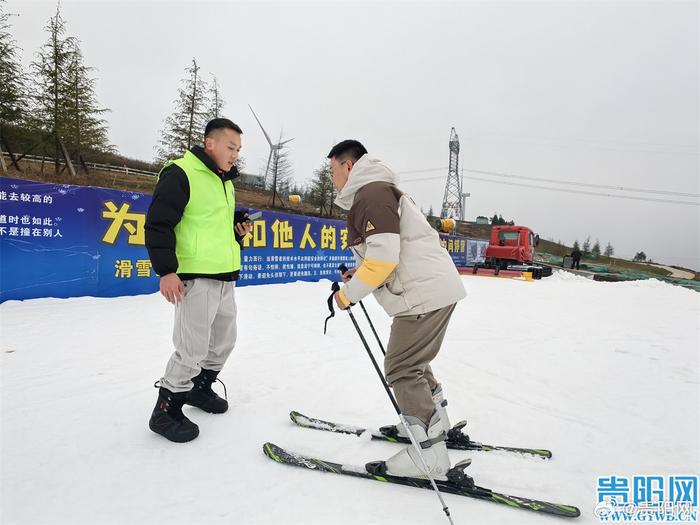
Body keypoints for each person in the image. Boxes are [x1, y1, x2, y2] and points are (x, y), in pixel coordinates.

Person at [329, 140, 466, 479]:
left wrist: (349, 294)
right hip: (432, 290)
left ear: (348, 166)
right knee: (415, 362)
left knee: (402, 367)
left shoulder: (371, 194)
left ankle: (429, 454)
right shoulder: (377, 191)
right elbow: (385, 254)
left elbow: (384, 259)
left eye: (332, 170)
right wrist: (358, 274)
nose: (332, 178)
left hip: (421, 296)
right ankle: (433, 423)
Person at [145, 118, 251, 443]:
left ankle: (199, 389)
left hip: (224, 277)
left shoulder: (224, 182)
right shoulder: (181, 173)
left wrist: (236, 229)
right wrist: (167, 271)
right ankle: (166, 409)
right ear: (210, 143)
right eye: (230, 147)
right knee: (191, 347)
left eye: (238, 149)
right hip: (194, 278)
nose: (235, 155)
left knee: (223, 341)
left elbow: (209, 226)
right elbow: (158, 224)